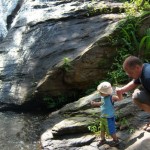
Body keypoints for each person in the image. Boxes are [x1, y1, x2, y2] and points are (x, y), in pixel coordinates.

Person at [116, 55, 150, 131]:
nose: (129, 75)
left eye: (130, 73)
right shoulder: (144, 67)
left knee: (136, 96)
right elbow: (135, 82)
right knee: (137, 93)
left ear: (137, 67)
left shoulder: (148, 77)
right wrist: (121, 90)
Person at [91, 81, 122, 146]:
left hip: (109, 118)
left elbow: (120, 99)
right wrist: (95, 103)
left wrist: (119, 93)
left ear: (107, 92)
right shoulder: (103, 97)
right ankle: (103, 140)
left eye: (101, 92)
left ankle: (116, 140)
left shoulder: (112, 97)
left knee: (111, 130)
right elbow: (102, 103)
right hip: (103, 117)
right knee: (102, 129)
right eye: (100, 92)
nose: (100, 93)